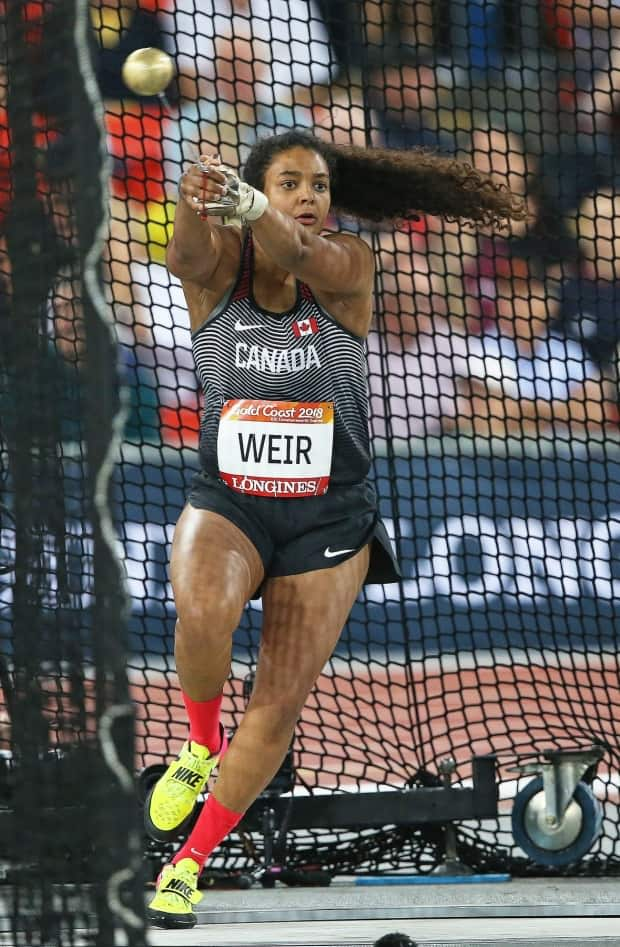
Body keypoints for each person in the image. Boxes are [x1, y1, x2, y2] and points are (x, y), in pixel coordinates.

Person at [144, 129, 526, 929]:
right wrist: (190, 201)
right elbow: (182, 258)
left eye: (319, 184)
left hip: (330, 516)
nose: (310, 196)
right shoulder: (222, 271)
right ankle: (200, 743)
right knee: (203, 613)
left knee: (278, 703)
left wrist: (257, 208)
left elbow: (307, 256)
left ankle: (189, 862)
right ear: (257, 193)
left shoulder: (348, 265)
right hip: (230, 499)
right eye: (290, 183)